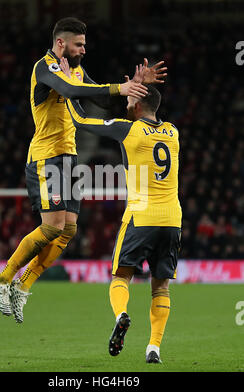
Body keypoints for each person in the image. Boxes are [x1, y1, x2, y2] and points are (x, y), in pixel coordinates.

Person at [0, 17, 166, 323]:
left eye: (84, 44)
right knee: (53, 227)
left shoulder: (78, 70)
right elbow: (68, 89)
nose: (84, 49)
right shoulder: (44, 67)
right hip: (46, 157)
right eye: (79, 44)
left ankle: (23, 286)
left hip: (68, 158)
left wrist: (133, 90)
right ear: (61, 43)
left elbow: (98, 99)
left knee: (68, 230)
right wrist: (119, 87)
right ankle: (2, 279)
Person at [65, 83, 182, 364]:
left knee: (121, 277)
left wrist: (66, 91)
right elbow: (142, 124)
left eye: (130, 99)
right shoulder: (173, 132)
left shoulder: (127, 129)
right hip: (172, 218)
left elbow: (81, 119)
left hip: (141, 217)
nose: (126, 103)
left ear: (138, 104)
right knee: (161, 286)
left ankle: (122, 315)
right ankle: (153, 348)